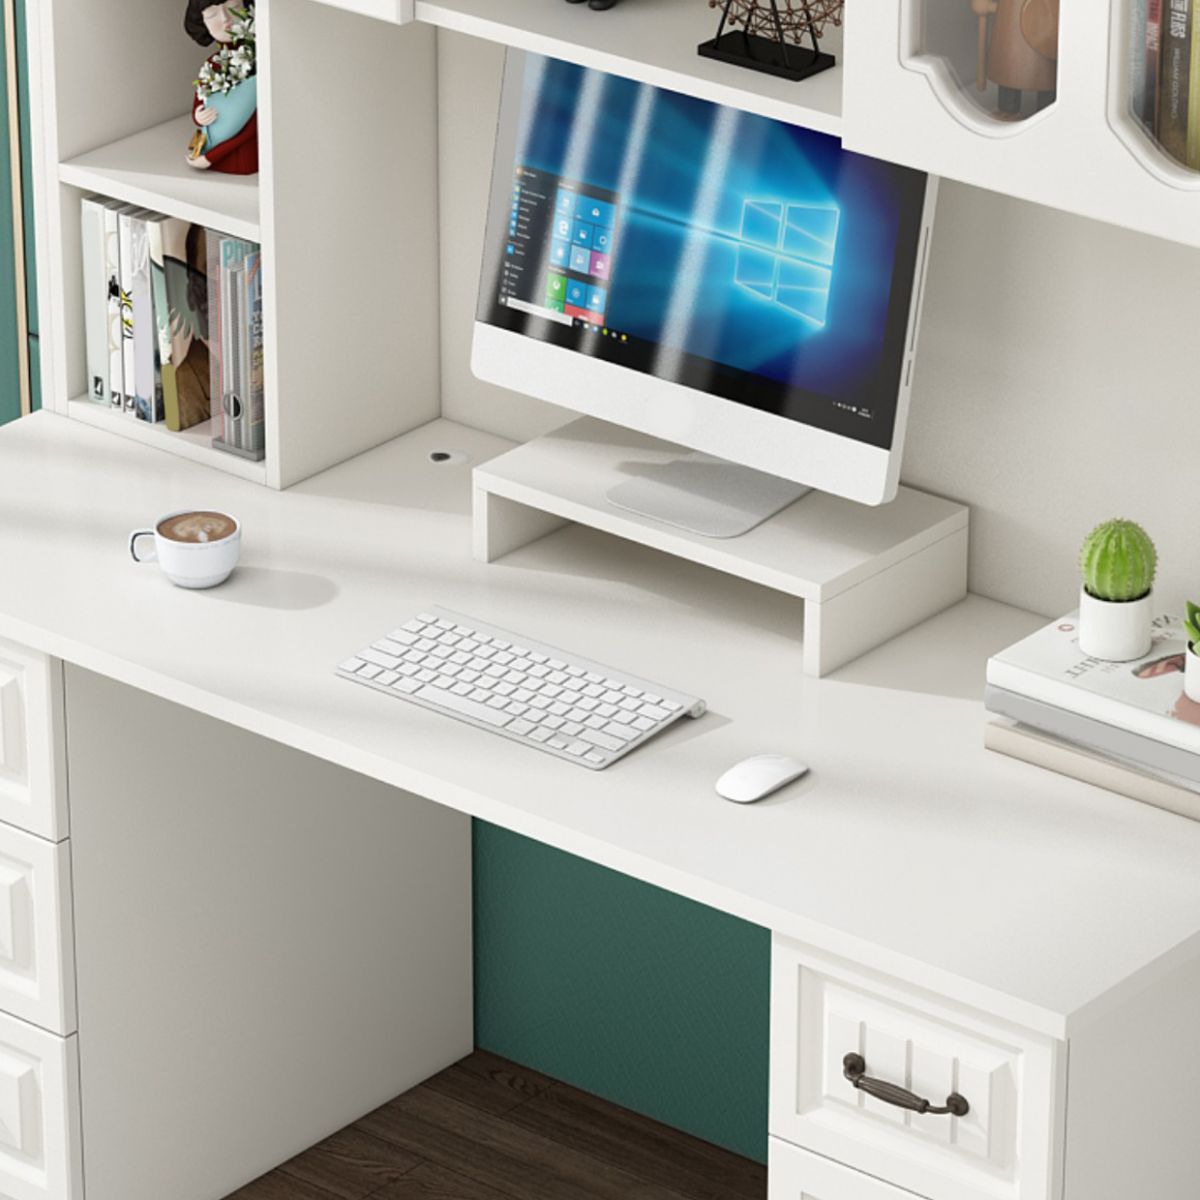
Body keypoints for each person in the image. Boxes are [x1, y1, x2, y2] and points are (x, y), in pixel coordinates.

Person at [185, 1, 258, 175]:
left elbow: (254, 123)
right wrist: (199, 115)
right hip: (213, 145)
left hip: (247, 154)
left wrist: (212, 156)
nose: (225, 19)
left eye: (234, 7)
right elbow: (200, 101)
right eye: (212, 15)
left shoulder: (255, 61)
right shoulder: (213, 64)